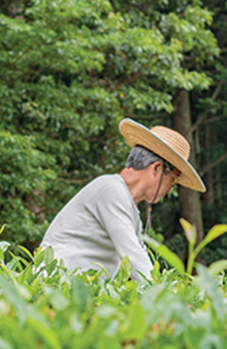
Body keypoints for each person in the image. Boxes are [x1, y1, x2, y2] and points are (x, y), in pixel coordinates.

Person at [40, 118, 206, 281]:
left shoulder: (129, 208)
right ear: (156, 168)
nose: (170, 189)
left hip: (76, 287)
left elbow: (141, 260)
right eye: (173, 181)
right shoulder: (111, 189)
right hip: (52, 284)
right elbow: (134, 259)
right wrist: (163, 295)